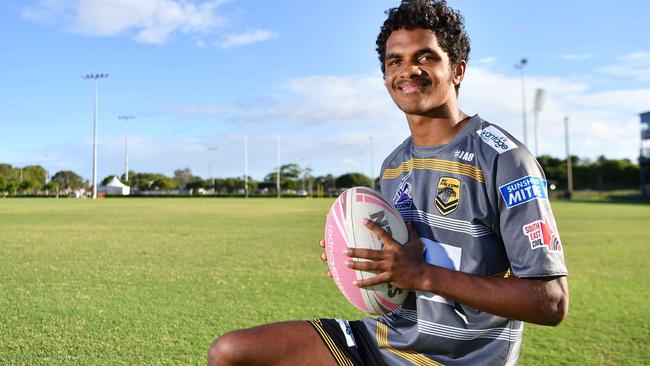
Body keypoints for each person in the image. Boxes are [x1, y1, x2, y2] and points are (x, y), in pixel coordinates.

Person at [208, 0, 569, 364]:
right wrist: (355, 256)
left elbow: (551, 301)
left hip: (458, 359)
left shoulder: (504, 159)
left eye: (425, 57)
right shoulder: (393, 166)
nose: (407, 71)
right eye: (395, 61)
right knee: (230, 352)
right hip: (384, 342)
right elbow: (401, 265)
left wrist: (424, 275)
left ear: (457, 70)